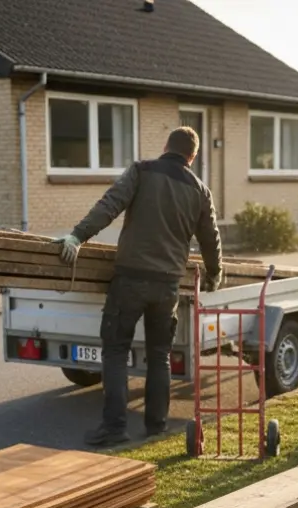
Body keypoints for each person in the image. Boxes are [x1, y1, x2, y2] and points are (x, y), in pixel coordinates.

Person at [56, 127, 223, 447]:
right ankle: (156, 425)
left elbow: (110, 205)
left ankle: (115, 428)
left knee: (116, 352)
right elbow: (210, 239)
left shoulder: (142, 171)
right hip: (167, 287)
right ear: (193, 156)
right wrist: (215, 275)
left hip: (130, 279)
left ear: (165, 146)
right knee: (159, 354)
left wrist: (77, 236)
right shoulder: (200, 191)